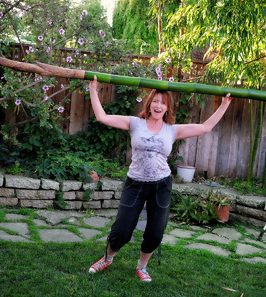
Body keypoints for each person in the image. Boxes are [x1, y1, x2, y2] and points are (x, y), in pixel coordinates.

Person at [87, 75, 232, 282]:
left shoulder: (171, 130)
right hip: (135, 183)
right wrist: (93, 90)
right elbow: (102, 117)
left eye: (163, 103)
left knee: (155, 231)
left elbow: (205, 127)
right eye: (155, 101)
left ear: (167, 108)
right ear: (149, 104)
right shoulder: (135, 123)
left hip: (160, 185)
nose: (158, 105)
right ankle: (107, 258)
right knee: (122, 229)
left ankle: (142, 267)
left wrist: (224, 105)